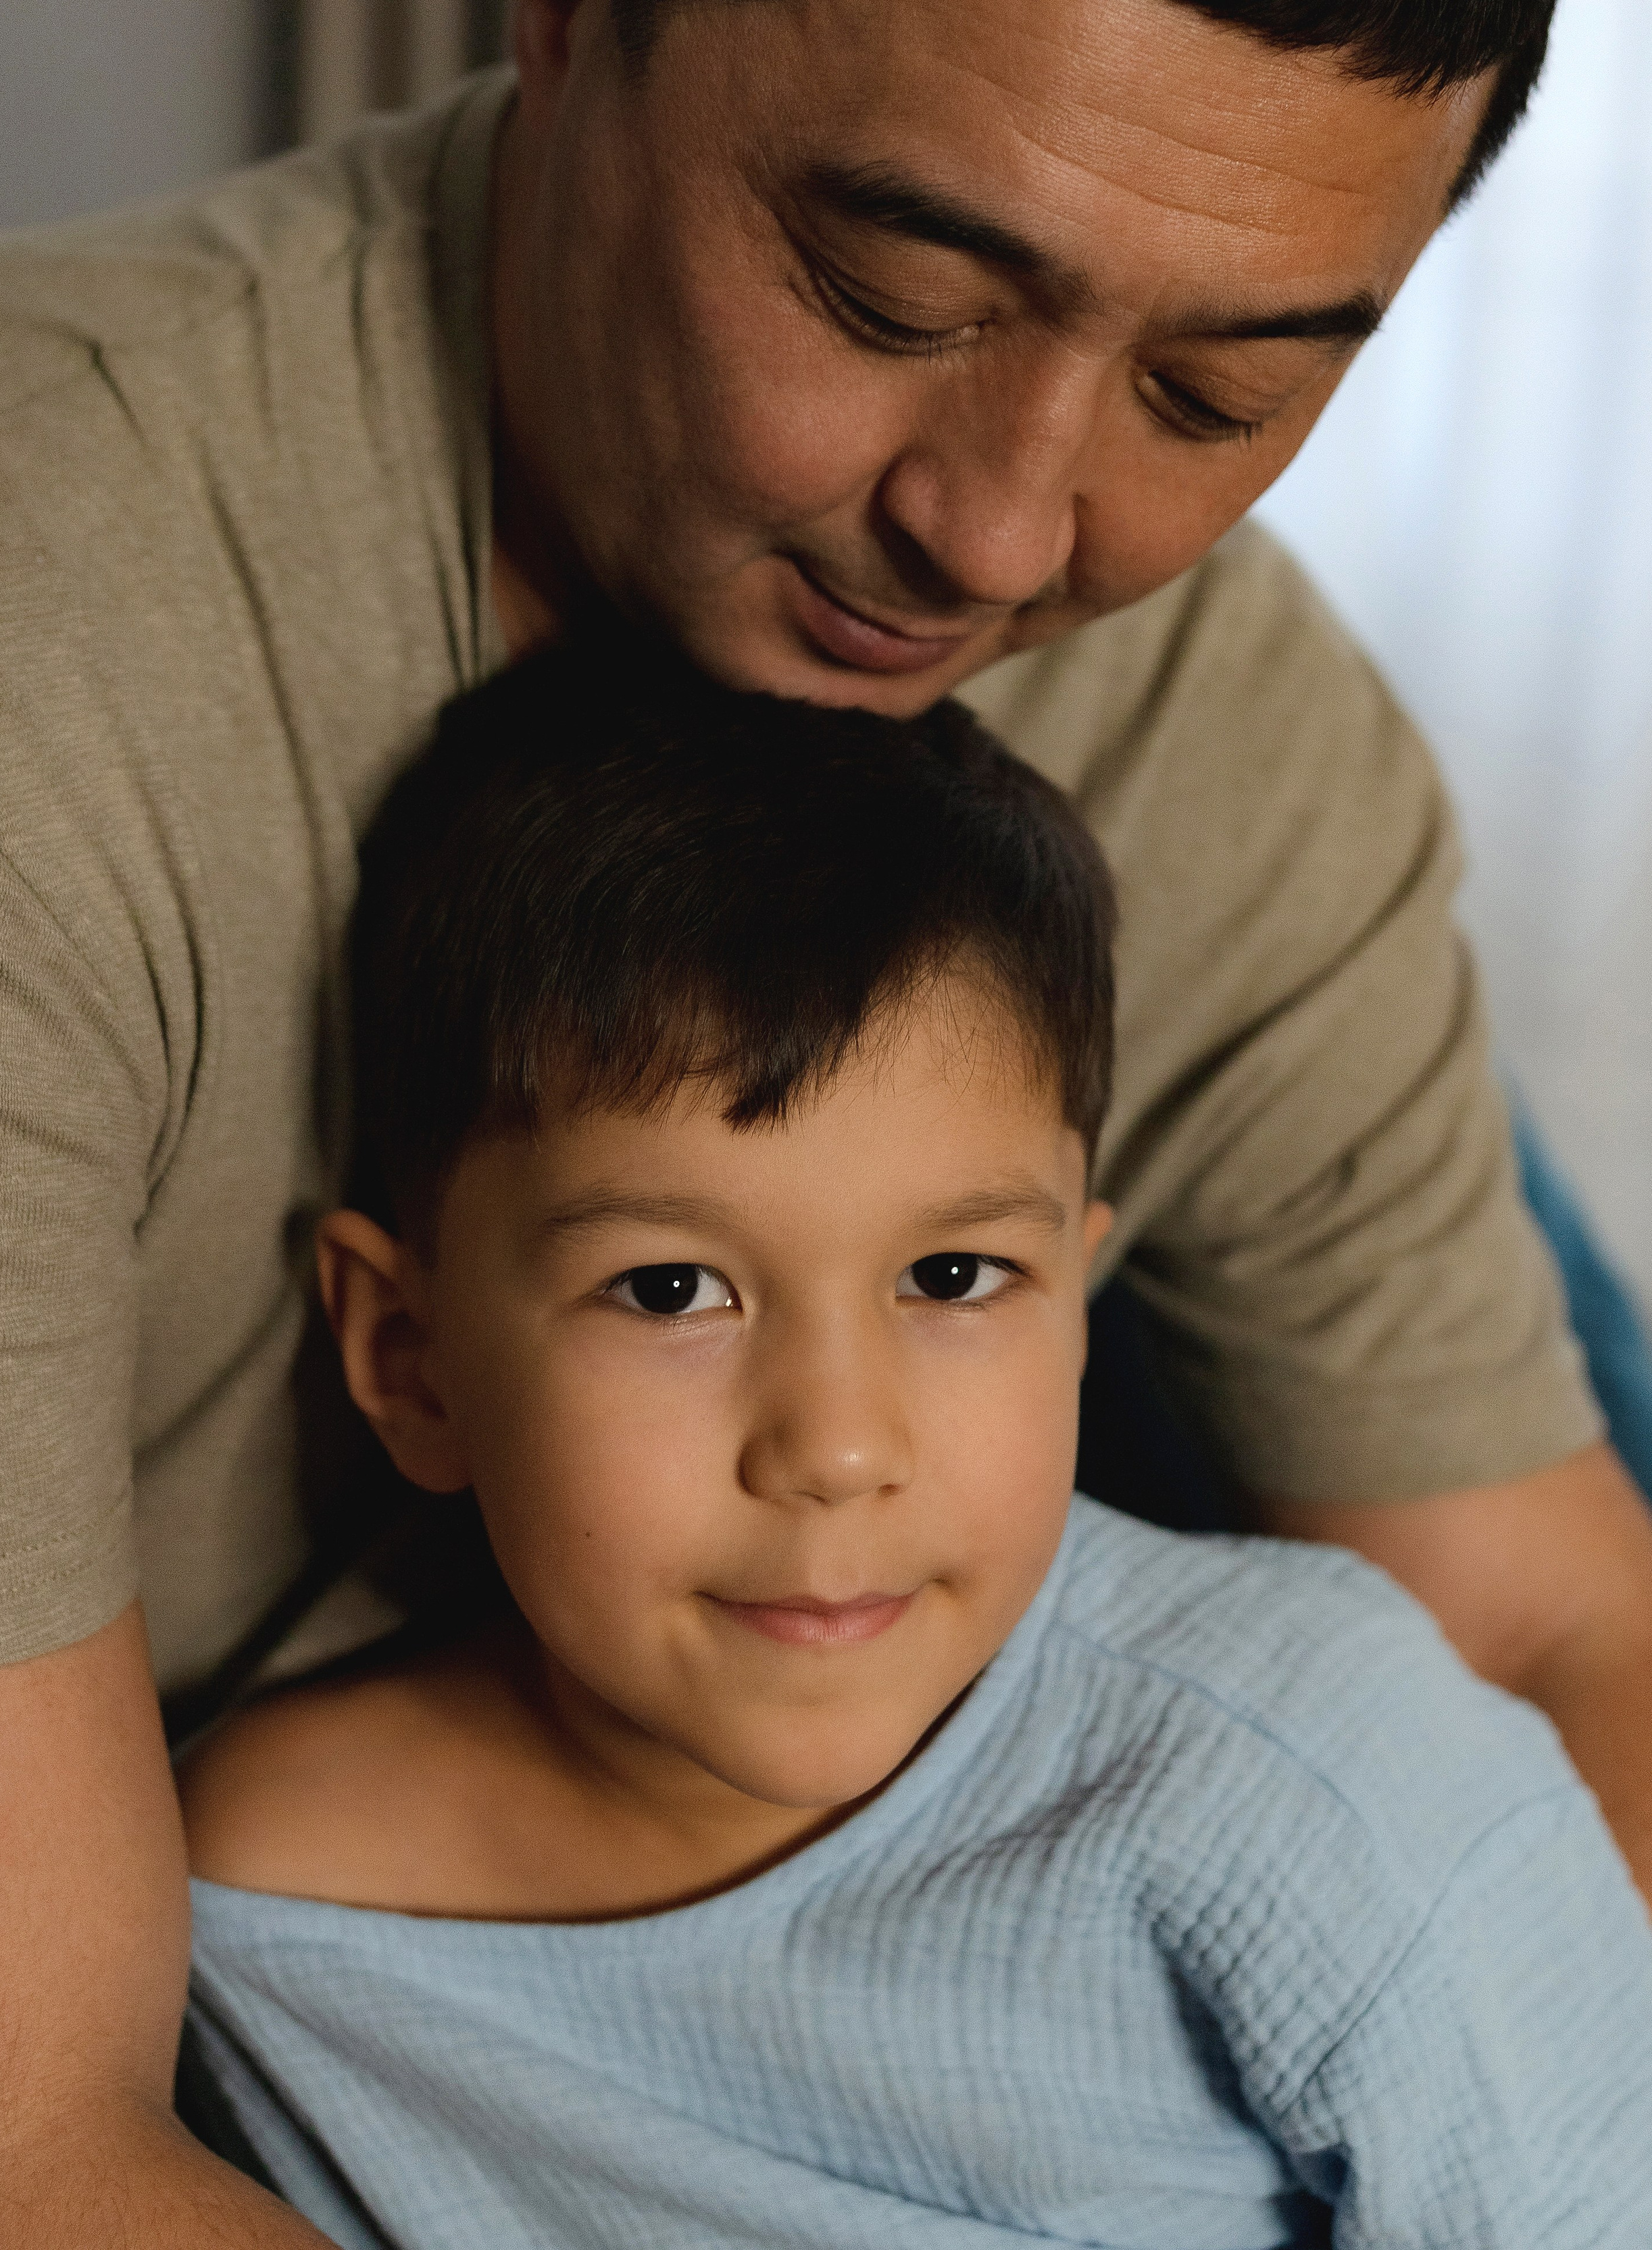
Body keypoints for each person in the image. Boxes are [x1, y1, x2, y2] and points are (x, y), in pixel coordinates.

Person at [0, 0, 1652, 2244]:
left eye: (1211, 390)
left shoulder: (1221, 716)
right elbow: (7, 2145)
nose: (1010, 536)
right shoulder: (5, 652)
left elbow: (1536, 1640)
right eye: (893, 293)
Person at [170, 645, 1652, 2249]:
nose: (836, 1447)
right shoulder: (265, 1903)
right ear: (410, 1360)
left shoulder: (1312, 1771)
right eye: (671, 1289)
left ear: (1077, 1303)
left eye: (952, 1278)